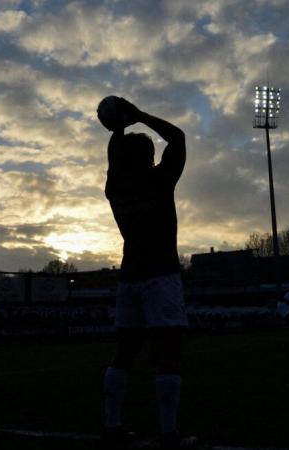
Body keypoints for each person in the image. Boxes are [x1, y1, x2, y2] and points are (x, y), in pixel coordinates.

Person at [99, 97, 196, 450]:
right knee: (167, 353)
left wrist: (119, 127)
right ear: (150, 158)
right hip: (162, 275)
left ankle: (112, 428)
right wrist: (138, 116)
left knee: (124, 352)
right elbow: (179, 138)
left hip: (129, 278)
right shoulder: (159, 180)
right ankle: (168, 434)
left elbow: (114, 157)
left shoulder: (115, 189)